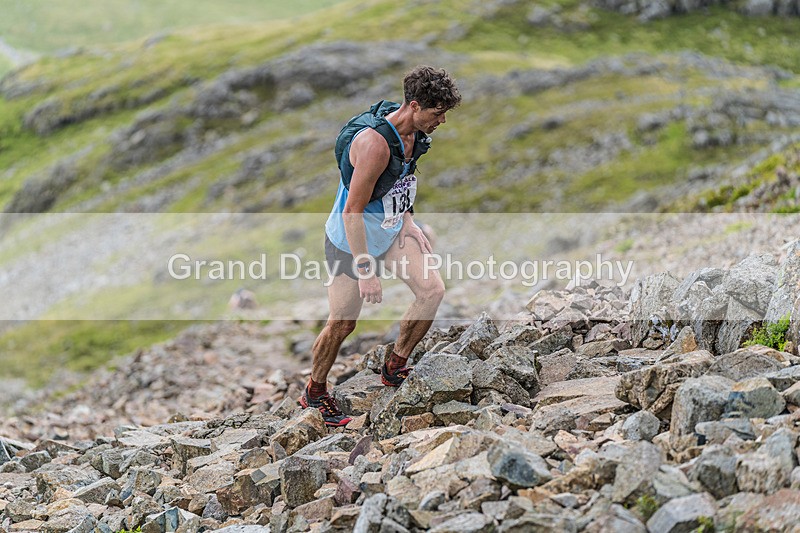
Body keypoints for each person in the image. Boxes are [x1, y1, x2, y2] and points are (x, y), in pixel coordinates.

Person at [299, 66, 461, 426]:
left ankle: (395, 365)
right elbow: (352, 211)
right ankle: (315, 391)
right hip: (350, 242)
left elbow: (401, 180)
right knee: (343, 324)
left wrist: (409, 221)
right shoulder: (373, 144)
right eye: (438, 113)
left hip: (388, 232)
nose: (443, 121)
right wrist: (365, 268)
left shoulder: (415, 136)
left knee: (432, 291)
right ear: (415, 106)